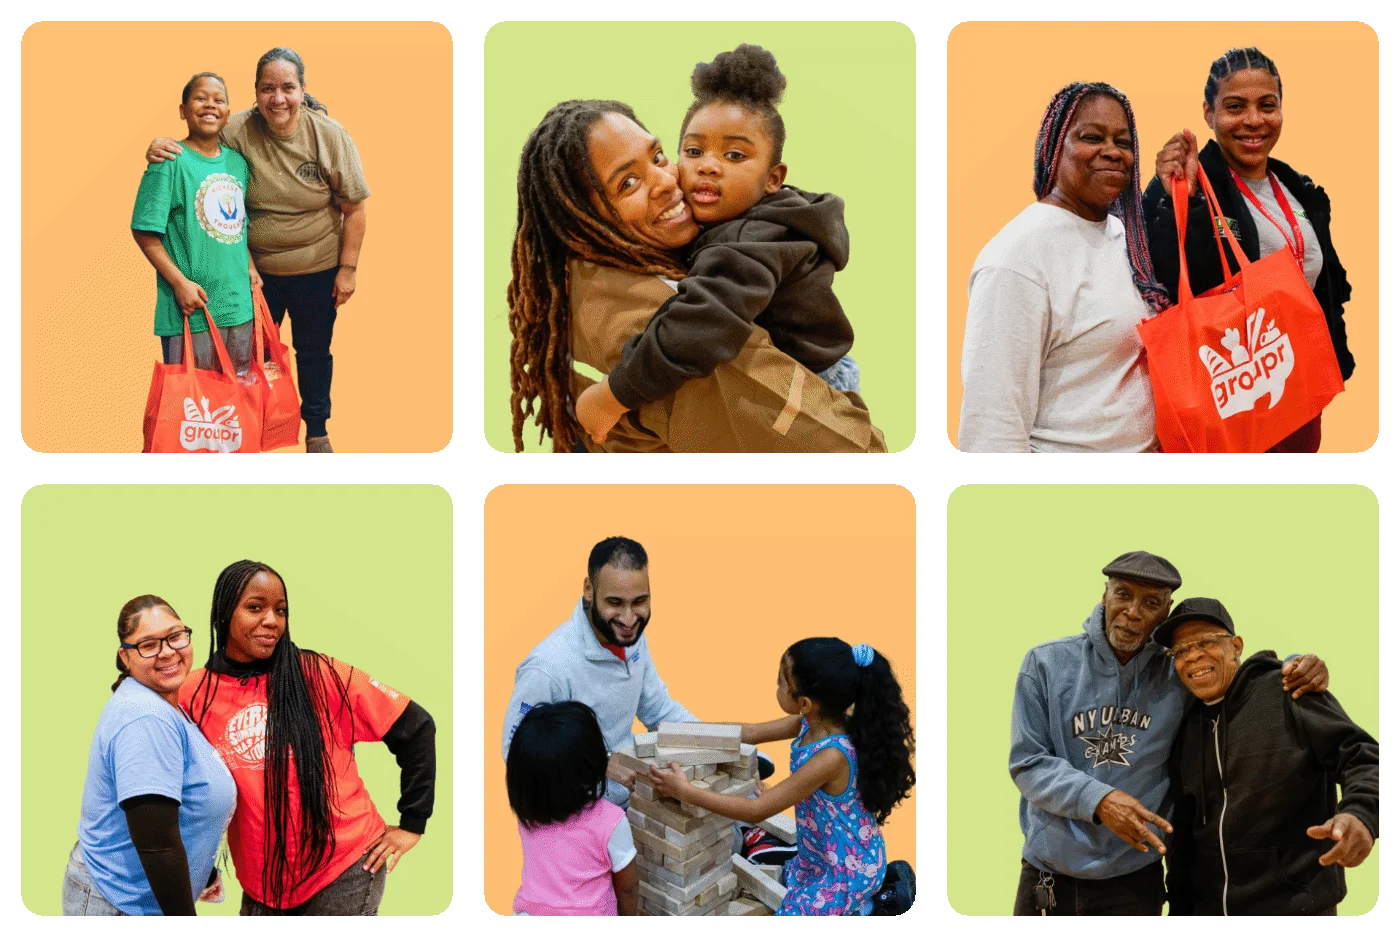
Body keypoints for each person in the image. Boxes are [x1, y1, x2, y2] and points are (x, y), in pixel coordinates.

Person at [506, 96, 885, 454]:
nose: (667, 182)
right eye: (628, 183)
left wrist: (612, 395)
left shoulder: (727, 239)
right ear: (580, 223)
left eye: (657, 156)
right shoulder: (643, 307)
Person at [1009, 551, 1331, 919]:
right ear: (1104, 595)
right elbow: (1028, 763)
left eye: (1150, 603)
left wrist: (1296, 665)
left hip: (1134, 878)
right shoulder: (1045, 664)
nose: (1132, 612)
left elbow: (1232, 670)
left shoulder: (1178, 668)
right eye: (1123, 594)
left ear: (1166, 612)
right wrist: (1100, 800)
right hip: (1048, 874)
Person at [573, 44, 862, 444]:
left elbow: (701, 324)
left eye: (734, 154)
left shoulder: (750, 240)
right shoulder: (740, 222)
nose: (709, 164)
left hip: (814, 379)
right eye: (694, 151)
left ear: (773, 179)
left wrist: (614, 395)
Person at [499, 537, 779, 898]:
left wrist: (724, 755)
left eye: (640, 602)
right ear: (589, 590)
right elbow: (516, 751)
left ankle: (750, 840)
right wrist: (599, 764)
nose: (629, 618)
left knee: (719, 830)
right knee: (681, 867)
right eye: (615, 603)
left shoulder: (629, 639)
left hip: (634, 792)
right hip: (580, 817)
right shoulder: (549, 667)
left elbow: (661, 711)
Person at [177, 560, 436, 918]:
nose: (272, 620)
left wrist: (413, 824)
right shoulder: (194, 692)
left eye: (280, 610)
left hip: (343, 866)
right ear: (225, 611)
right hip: (261, 879)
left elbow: (417, 727)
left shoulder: (321, 674)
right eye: (255, 607)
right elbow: (186, 787)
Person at [145, 48, 370, 456]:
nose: (278, 98)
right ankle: (252, 428)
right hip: (254, 274)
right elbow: (200, 139)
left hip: (317, 267)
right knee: (252, 360)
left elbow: (355, 207)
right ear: (255, 94)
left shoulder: (329, 135)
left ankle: (316, 432)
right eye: (268, 89)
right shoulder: (237, 130)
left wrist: (348, 269)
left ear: (303, 91)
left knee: (314, 352)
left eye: (288, 88)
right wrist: (161, 145)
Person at [1143, 47, 1354, 456]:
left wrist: (1335, 362)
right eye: (1235, 107)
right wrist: (1176, 196)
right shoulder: (1187, 184)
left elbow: (1330, 283)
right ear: (1209, 113)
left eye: (1267, 105)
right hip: (1226, 393)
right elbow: (1166, 278)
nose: (1254, 121)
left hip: (1295, 380)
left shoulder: (1298, 188)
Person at [959, 82, 1171, 455]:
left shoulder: (1128, 240)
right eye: (1092, 137)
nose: (1112, 152)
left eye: (1123, 142)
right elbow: (992, 430)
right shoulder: (1016, 259)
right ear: (1055, 147)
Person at [646, 638, 915, 916]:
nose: (776, 687)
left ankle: (876, 902)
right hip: (821, 855)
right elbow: (749, 733)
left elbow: (757, 809)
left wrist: (685, 791)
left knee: (787, 913)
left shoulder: (831, 756)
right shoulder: (809, 722)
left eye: (781, 683)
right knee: (788, 878)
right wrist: (684, 731)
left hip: (847, 870)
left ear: (804, 702)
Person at [1153, 598, 1379, 919]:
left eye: (1205, 642)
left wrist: (1362, 815)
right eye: (1181, 651)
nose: (1194, 656)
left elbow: (1362, 756)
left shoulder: (1288, 690)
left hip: (1294, 907)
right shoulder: (1181, 724)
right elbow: (1182, 830)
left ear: (1236, 646)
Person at [64, 595, 237, 918]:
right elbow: (156, 844)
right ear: (125, 657)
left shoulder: (165, 702)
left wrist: (201, 870)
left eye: (175, 636)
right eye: (148, 644)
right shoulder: (145, 718)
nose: (168, 651)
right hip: (120, 905)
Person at [131, 73, 258, 401]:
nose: (210, 105)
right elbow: (145, 232)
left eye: (219, 99)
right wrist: (179, 284)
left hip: (239, 308)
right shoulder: (169, 161)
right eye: (201, 98)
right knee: (190, 411)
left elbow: (238, 226)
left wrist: (250, 268)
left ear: (228, 113)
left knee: (234, 406)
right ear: (183, 109)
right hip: (193, 311)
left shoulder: (238, 164)